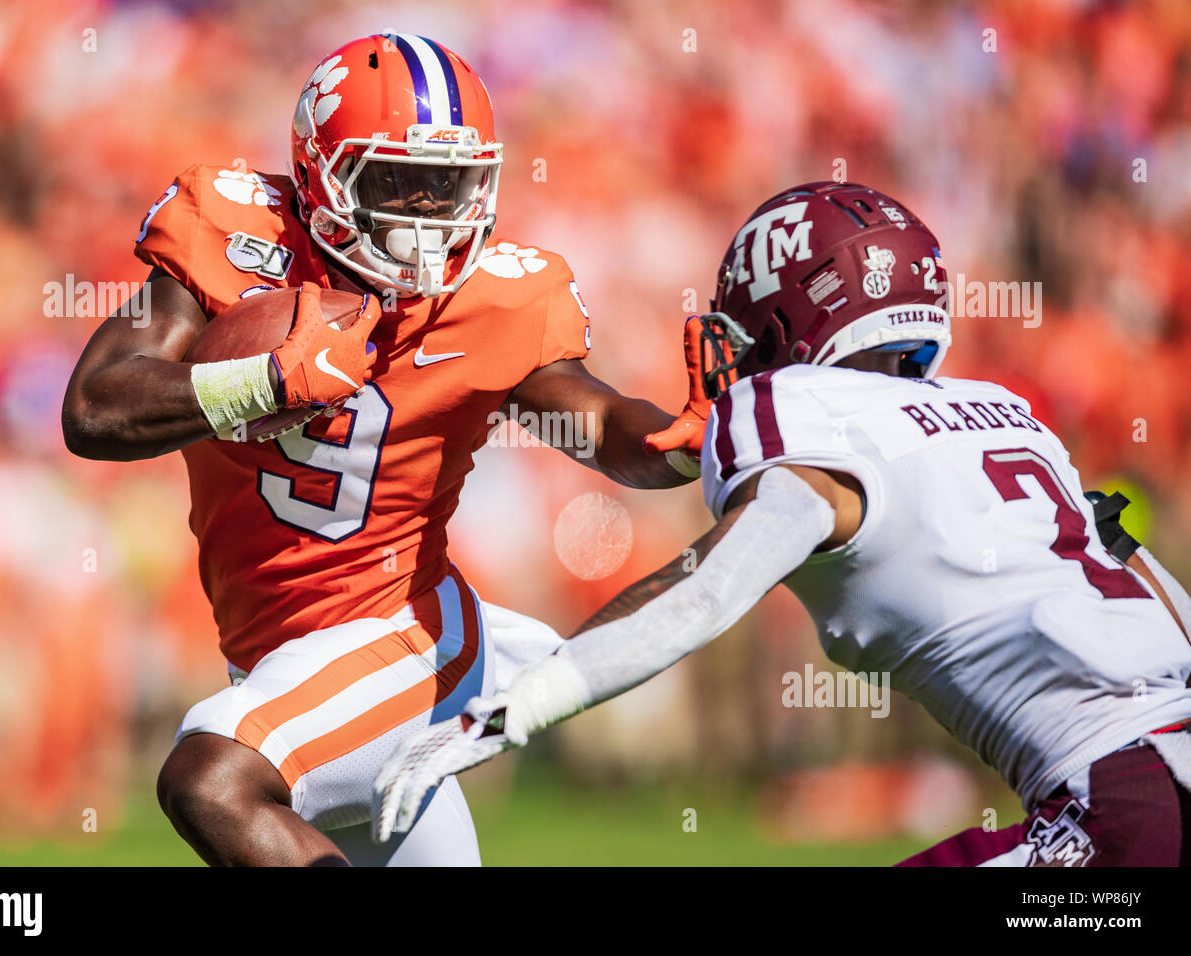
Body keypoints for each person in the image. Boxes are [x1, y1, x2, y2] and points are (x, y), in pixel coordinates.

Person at [372, 181, 1191, 866]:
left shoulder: (798, 410)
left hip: (1120, 810)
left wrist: (515, 706)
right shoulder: (1004, 415)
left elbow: (702, 593)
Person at [62, 33, 697, 866]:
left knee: (210, 781)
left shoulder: (493, 301)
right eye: (402, 181)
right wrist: (263, 383)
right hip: (282, 659)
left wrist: (688, 442)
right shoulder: (234, 233)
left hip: (408, 634)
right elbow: (93, 409)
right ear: (322, 173)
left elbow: (599, 423)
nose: (431, 213)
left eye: (453, 184)